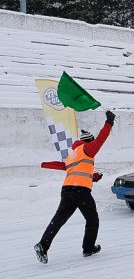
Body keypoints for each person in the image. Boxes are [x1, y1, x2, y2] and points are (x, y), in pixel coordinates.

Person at [34, 110, 116, 264]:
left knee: (58, 220)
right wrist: (109, 122)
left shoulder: (73, 154)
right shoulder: (88, 148)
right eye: (92, 141)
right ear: (89, 141)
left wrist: (94, 177)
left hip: (67, 190)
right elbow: (101, 139)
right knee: (92, 219)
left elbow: (72, 169)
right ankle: (88, 248)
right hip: (80, 191)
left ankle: (42, 245)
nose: (94, 145)